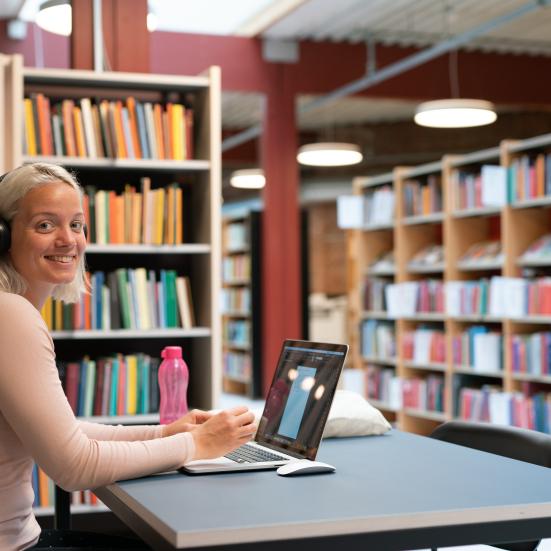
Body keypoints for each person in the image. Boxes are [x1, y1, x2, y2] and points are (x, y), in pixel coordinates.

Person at [0, 163, 256, 550]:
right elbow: (74, 466)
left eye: (77, 224)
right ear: (2, 235)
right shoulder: (11, 315)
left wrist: (168, 432)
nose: (68, 240)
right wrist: (198, 445)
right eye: (45, 225)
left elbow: (65, 431)